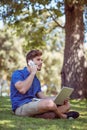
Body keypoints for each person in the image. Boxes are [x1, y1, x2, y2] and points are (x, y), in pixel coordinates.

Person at [10, 49, 79, 119]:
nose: (41, 62)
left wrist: (58, 98)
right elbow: (23, 89)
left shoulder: (36, 80)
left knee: (67, 105)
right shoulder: (18, 73)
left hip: (34, 104)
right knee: (49, 103)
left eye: (41, 60)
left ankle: (47, 115)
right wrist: (32, 73)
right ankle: (62, 116)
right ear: (29, 62)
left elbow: (42, 97)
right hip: (21, 107)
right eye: (38, 60)